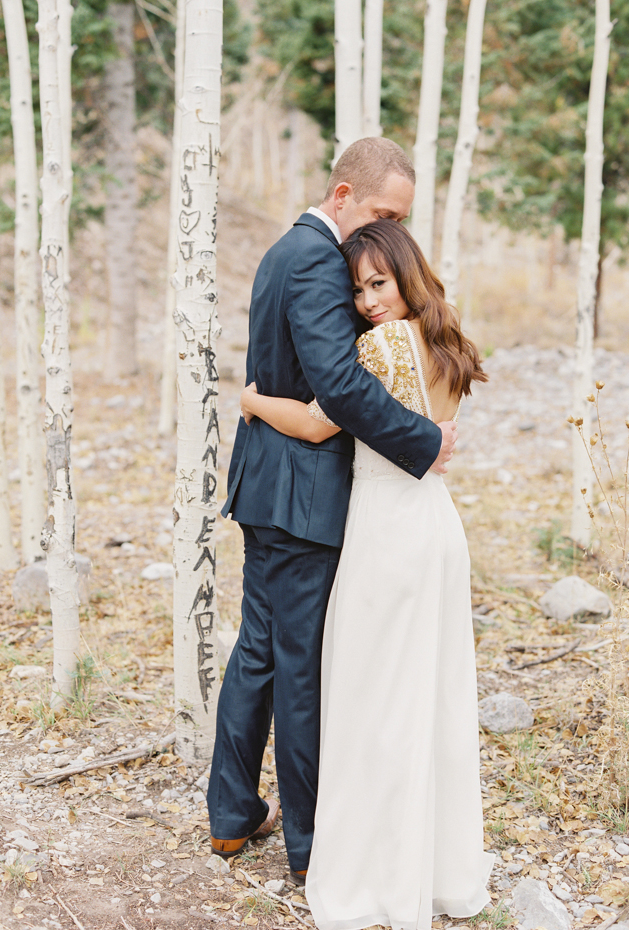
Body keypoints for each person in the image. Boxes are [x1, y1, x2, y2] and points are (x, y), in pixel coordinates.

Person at [207, 137, 457, 883]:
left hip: (270, 485)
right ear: (344, 195)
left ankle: (232, 816)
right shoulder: (319, 258)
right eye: (383, 212)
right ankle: (311, 846)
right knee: (300, 667)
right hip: (303, 496)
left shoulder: (285, 250)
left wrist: (253, 401)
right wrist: (426, 441)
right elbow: (339, 387)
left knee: (259, 649)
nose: (391, 230)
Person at [239, 218, 493, 930]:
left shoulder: (380, 347)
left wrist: (252, 400)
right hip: (436, 524)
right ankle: (436, 866)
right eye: (358, 290)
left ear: (406, 276)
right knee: (429, 698)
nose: (368, 301)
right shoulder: (444, 341)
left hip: (389, 534)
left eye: (379, 283)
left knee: (374, 700)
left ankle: (377, 871)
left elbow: (321, 423)